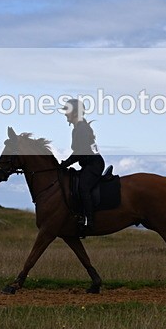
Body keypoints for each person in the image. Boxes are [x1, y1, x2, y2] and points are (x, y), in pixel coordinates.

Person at [59, 99, 104, 231]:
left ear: (74, 112)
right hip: (87, 164)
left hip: (94, 165)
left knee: (83, 188)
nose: (65, 114)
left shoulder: (82, 128)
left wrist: (65, 164)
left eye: (67, 111)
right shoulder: (78, 128)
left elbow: (81, 151)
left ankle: (89, 222)